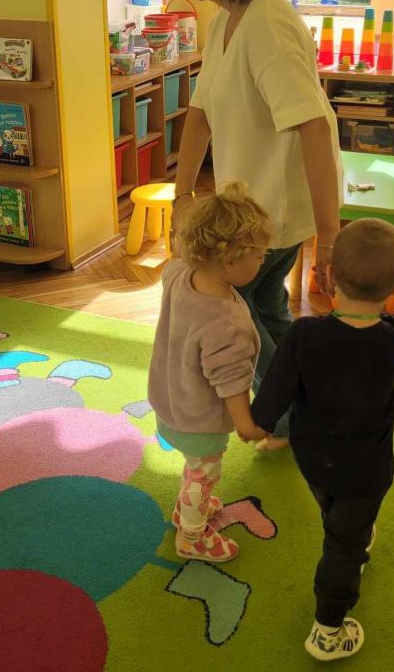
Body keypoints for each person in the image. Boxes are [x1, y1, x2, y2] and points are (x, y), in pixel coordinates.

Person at [172, 0, 343, 451]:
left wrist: (329, 234)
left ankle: (292, 418)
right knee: (264, 309)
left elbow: (313, 126)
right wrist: (182, 196)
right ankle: (309, 406)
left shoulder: (268, 23)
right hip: (247, 211)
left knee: (235, 314)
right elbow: (200, 115)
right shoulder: (226, 20)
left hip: (272, 215)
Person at [249, 218, 394, 661]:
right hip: (367, 470)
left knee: (336, 513)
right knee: (343, 548)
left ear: (328, 276)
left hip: (314, 458)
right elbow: (371, 332)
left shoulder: (303, 335)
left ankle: (346, 526)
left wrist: (254, 422)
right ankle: (328, 630)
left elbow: (271, 401)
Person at [148, 183, 268, 563]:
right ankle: (191, 536)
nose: (263, 262)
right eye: (260, 256)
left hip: (171, 399)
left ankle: (190, 506)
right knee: (204, 473)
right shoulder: (226, 323)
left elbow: (175, 260)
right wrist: (246, 424)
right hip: (200, 418)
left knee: (196, 469)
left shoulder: (179, 273)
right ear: (230, 261)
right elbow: (231, 381)